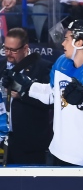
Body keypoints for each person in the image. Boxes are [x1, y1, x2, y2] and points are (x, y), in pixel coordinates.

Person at [2, 20, 83, 166]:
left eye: (66, 39)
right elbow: (51, 95)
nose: (63, 44)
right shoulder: (62, 63)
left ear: (79, 43)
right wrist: (27, 86)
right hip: (59, 151)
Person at [0, 28, 52, 165]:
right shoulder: (1, 65)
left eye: (13, 50)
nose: (8, 54)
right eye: (6, 48)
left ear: (25, 48)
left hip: (29, 143)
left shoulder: (42, 68)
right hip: (3, 139)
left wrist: (23, 95)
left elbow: (51, 102)